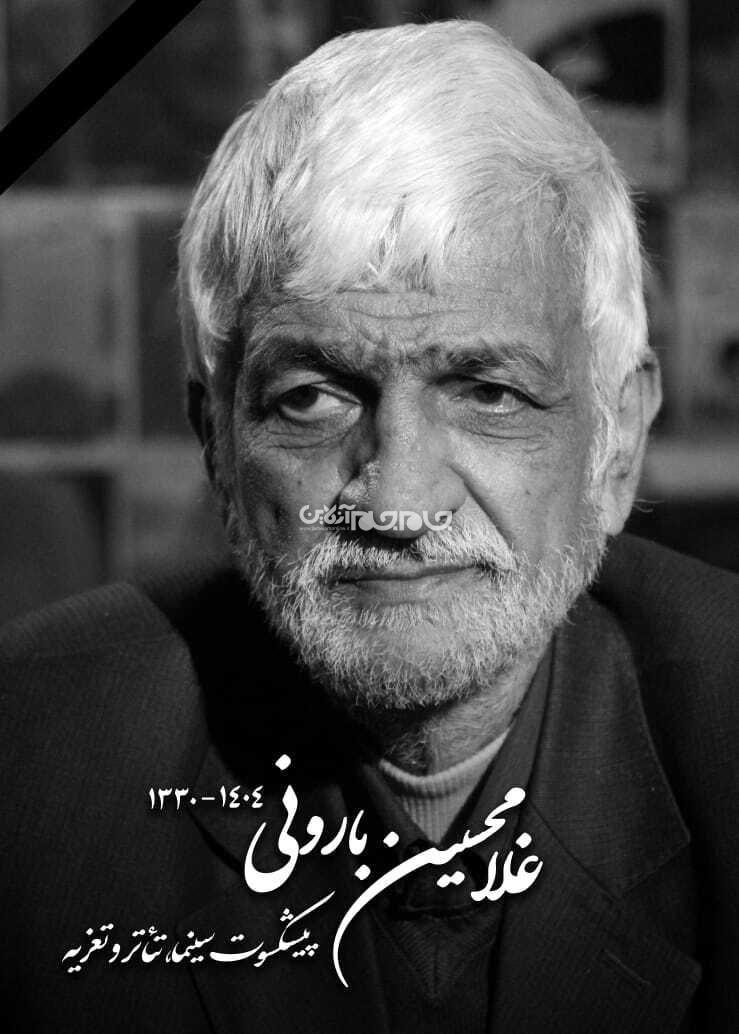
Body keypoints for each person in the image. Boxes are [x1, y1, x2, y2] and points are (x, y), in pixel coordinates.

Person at [1, 20, 736, 1034]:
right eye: (312, 398)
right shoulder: (29, 772)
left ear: (614, 444)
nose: (397, 502)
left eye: (487, 392)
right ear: (216, 442)